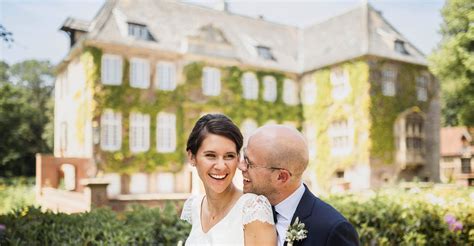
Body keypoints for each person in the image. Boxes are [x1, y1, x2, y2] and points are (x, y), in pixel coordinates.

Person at [239, 125, 359, 246]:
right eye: (244, 156)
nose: (241, 166)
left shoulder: (332, 230)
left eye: (249, 163)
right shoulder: (244, 212)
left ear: (281, 177)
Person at [180, 114, 276, 245]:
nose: (220, 166)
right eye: (210, 155)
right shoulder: (195, 206)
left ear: (238, 158)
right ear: (192, 157)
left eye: (229, 156)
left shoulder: (253, 210)